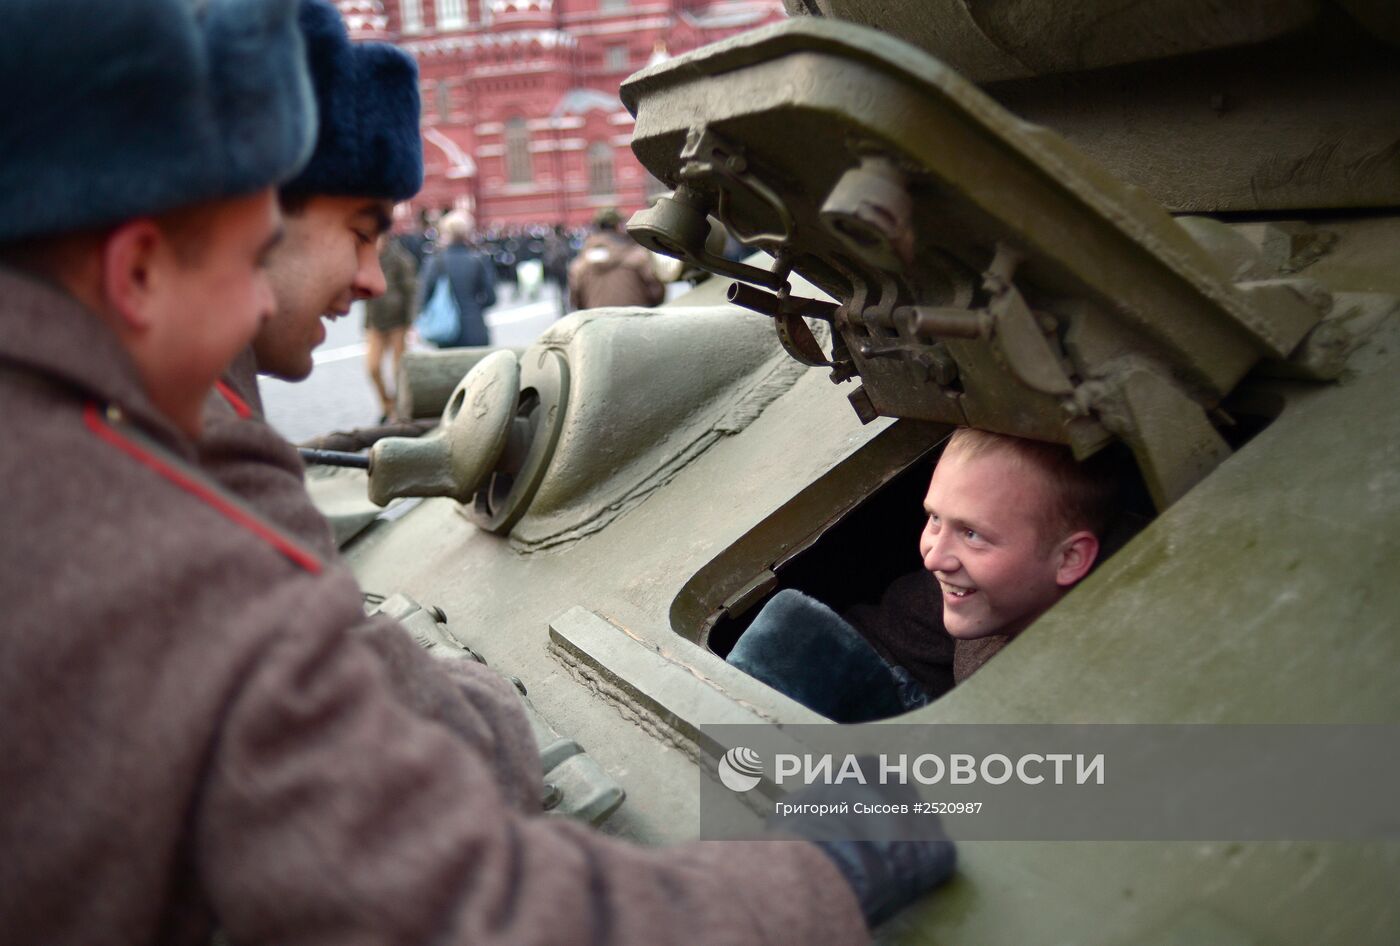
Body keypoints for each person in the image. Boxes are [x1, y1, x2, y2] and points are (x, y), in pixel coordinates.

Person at [0, 1, 953, 941]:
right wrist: (820, 877)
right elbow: (469, 916)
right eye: (255, 256)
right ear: (134, 274)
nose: (261, 301)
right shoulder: (145, 547)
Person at [728, 427, 1121, 722]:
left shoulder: (1088, 684)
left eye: (972, 533)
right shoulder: (980, 592)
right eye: (934, 518)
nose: (934, 557)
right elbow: (875, 636)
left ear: (1070, 558)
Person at [415, 210, 496, 348]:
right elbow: (491, 298)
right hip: (475, 329)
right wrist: (473, 308)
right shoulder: (478, 260)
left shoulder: (435, 262)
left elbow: (423, 298)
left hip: (446, 331)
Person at [568, 207, 666, 310]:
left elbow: (576, 300)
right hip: (636, 321)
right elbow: (657, 291)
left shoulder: (580, 264)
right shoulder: (638, 257)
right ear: (618, 226)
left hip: (598, 322)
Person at [365, 231, 417, 421]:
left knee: (398, 369)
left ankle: (399, 406)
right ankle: (387, 404)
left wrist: (411, 321)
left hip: (397, 322)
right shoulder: (367, 259)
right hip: (376, 323)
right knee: (372, 367)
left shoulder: (400, 258)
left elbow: (412, 290)